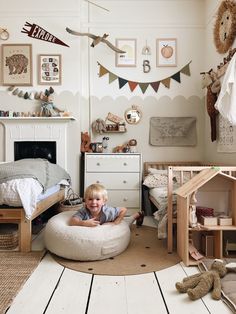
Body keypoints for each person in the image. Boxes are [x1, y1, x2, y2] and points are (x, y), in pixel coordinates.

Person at [69, 183, 144, 227]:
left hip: (113, 219)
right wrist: (83, 223)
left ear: (104, 201)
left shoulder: (108, 211)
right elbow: (72, 221)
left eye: (97, 199)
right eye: (90, 199)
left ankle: (137, 215)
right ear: (85, 200)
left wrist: (116, 222)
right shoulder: (84, 211)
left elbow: (123, 209)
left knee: (126, 223)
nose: (93, 202)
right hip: (102, 222)